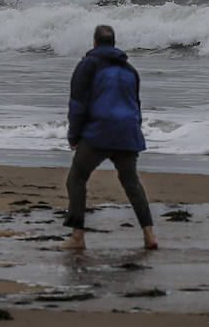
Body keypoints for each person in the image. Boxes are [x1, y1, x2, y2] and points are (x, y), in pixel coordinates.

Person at [63, 24, 157, 250]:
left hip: (99, 133)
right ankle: (149, 235)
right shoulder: (130, 70)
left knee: (76, 178)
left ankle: (77, 237)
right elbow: (136, 105)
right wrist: (135, 130)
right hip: (127, 133)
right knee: (131, 182)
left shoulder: (88, 66)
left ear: (94, 43)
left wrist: (74, 136)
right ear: (113, 43)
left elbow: (78, 104)